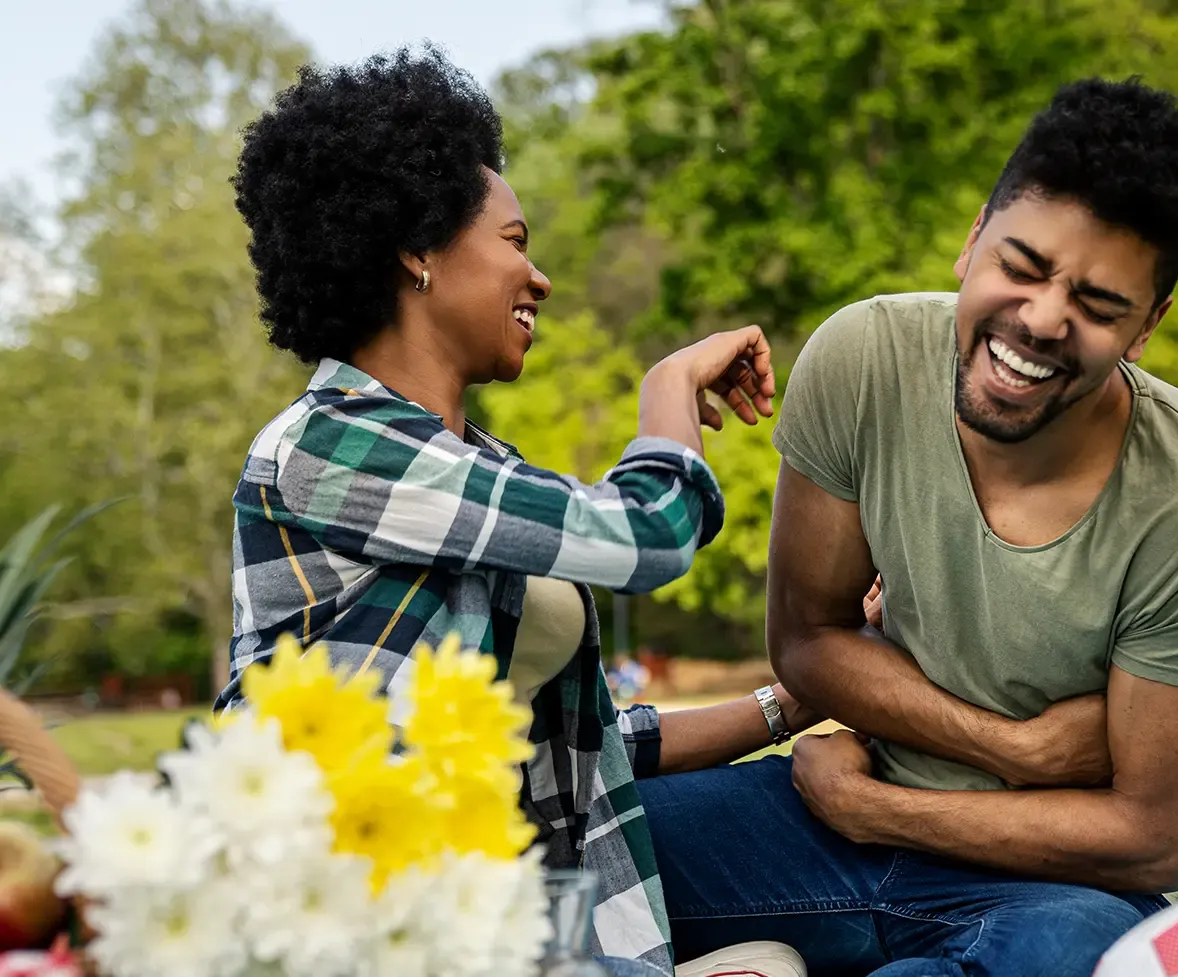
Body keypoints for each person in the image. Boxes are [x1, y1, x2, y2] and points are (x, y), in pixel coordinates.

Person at [635, 78, 1178, 976]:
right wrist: (1012, 745)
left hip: (1049, 884)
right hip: (812, 821)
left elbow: (1154, 841)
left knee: (1078, 955)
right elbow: (808, 640)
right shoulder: (862, 359)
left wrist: (879, 812)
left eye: (1097, 306)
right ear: (972, 240)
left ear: (1147, 327)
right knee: (562, 848)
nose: (1044, 318)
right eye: (1021, 266)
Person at [222, 48, 819, 977]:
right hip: (370, 935)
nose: (537, 277)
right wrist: (666, 386)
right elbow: (651, 530)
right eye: (514, 241)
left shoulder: (482, 474)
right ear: (416, 249)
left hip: (524, 930)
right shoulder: (325, 446)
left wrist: (793, 703)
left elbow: (592, 742)